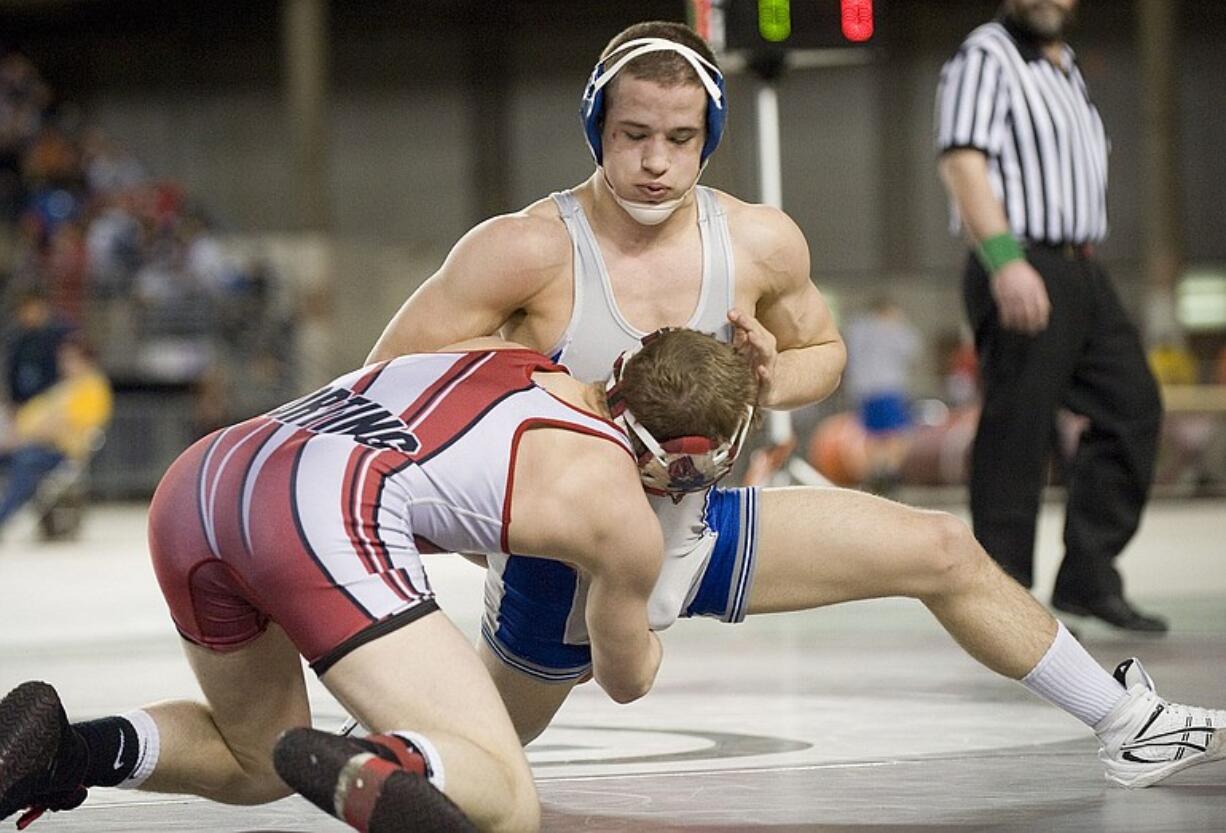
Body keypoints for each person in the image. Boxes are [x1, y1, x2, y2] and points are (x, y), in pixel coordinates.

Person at [367, 19, 1224, 789]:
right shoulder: (525, 249)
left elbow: (826, 353)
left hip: (695, 526)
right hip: (565, 554)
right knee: (467, 766)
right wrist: (513, 459)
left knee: (940, 547)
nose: (656, 162)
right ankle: (391, 758)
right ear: (597, 128)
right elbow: (383, 381)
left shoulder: (756, 239)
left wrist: (776, 376)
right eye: (632, 136)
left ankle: (1128, 725)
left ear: (711, 138)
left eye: (679, 137)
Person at [0, 328, 760, 832]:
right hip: (322, 511)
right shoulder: (620, 511)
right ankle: (389, 759)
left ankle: (61, 751)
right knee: (506, 799)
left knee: (256, 753)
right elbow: (626, 678)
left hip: (205, 476)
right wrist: (655, 588)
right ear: (687, 457)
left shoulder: (509, 354)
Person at [935, 0, 1167, 632]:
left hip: (1080, 268)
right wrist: (1006, 260)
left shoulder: (1065, 68)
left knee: (1133, 407)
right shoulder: (987, 54)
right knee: (1020, 428)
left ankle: (1089, 576)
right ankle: (999, 597)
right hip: (1019, 256)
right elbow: (962, 161)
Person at [0, 335, 110, 530]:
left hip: (57, 452)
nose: (64, 364)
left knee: (26, 462)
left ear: (84, 360)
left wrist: (22, 438)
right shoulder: (65, 387)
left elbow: (64, 425)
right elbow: (34, 415)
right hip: (31, 442)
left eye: (69, 358)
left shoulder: (92, 387)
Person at [843, 296, 922, 494]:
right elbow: (913, 350)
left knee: (873, 435)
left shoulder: (858, 328)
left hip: (865, 390)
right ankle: (889, 472)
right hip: (888, 388)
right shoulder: (891, 328)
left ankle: (876, 472)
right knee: (897, 434)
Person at [4, 288, 72, 407]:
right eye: (22, 310)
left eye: (31, 309)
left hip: (53, 403)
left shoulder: (62, 336)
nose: (27, 315)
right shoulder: (18, 339)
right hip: (23, 404)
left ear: (43, 307)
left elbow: (70, 372)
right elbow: (12, 373)